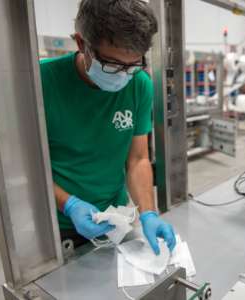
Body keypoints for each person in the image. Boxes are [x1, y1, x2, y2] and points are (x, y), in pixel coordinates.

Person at [40, 0, 176, 255]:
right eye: (112, 65)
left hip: (114, 219)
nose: (123, 76)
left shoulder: (140, 85)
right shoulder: (40, 83)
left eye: (133, 64)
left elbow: (137, 159)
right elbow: (25, 170)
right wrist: (69, 205)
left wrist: (148, 213)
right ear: (82, 44)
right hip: (53, 225)